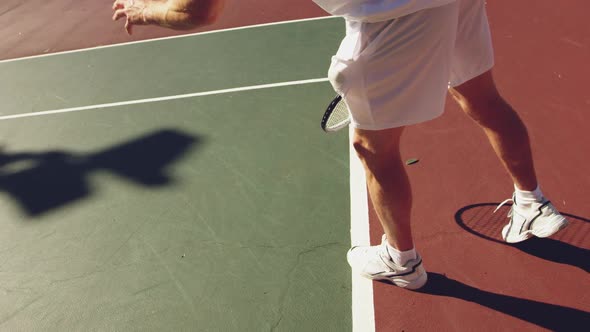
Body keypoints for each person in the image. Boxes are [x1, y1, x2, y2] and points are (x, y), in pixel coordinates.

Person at [112, 0, 569, 290]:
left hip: (392, 18)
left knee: (375, 150)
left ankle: (401, 261)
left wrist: (143, 10)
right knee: (482, 97)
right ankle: (532, 202)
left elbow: (196, 12)